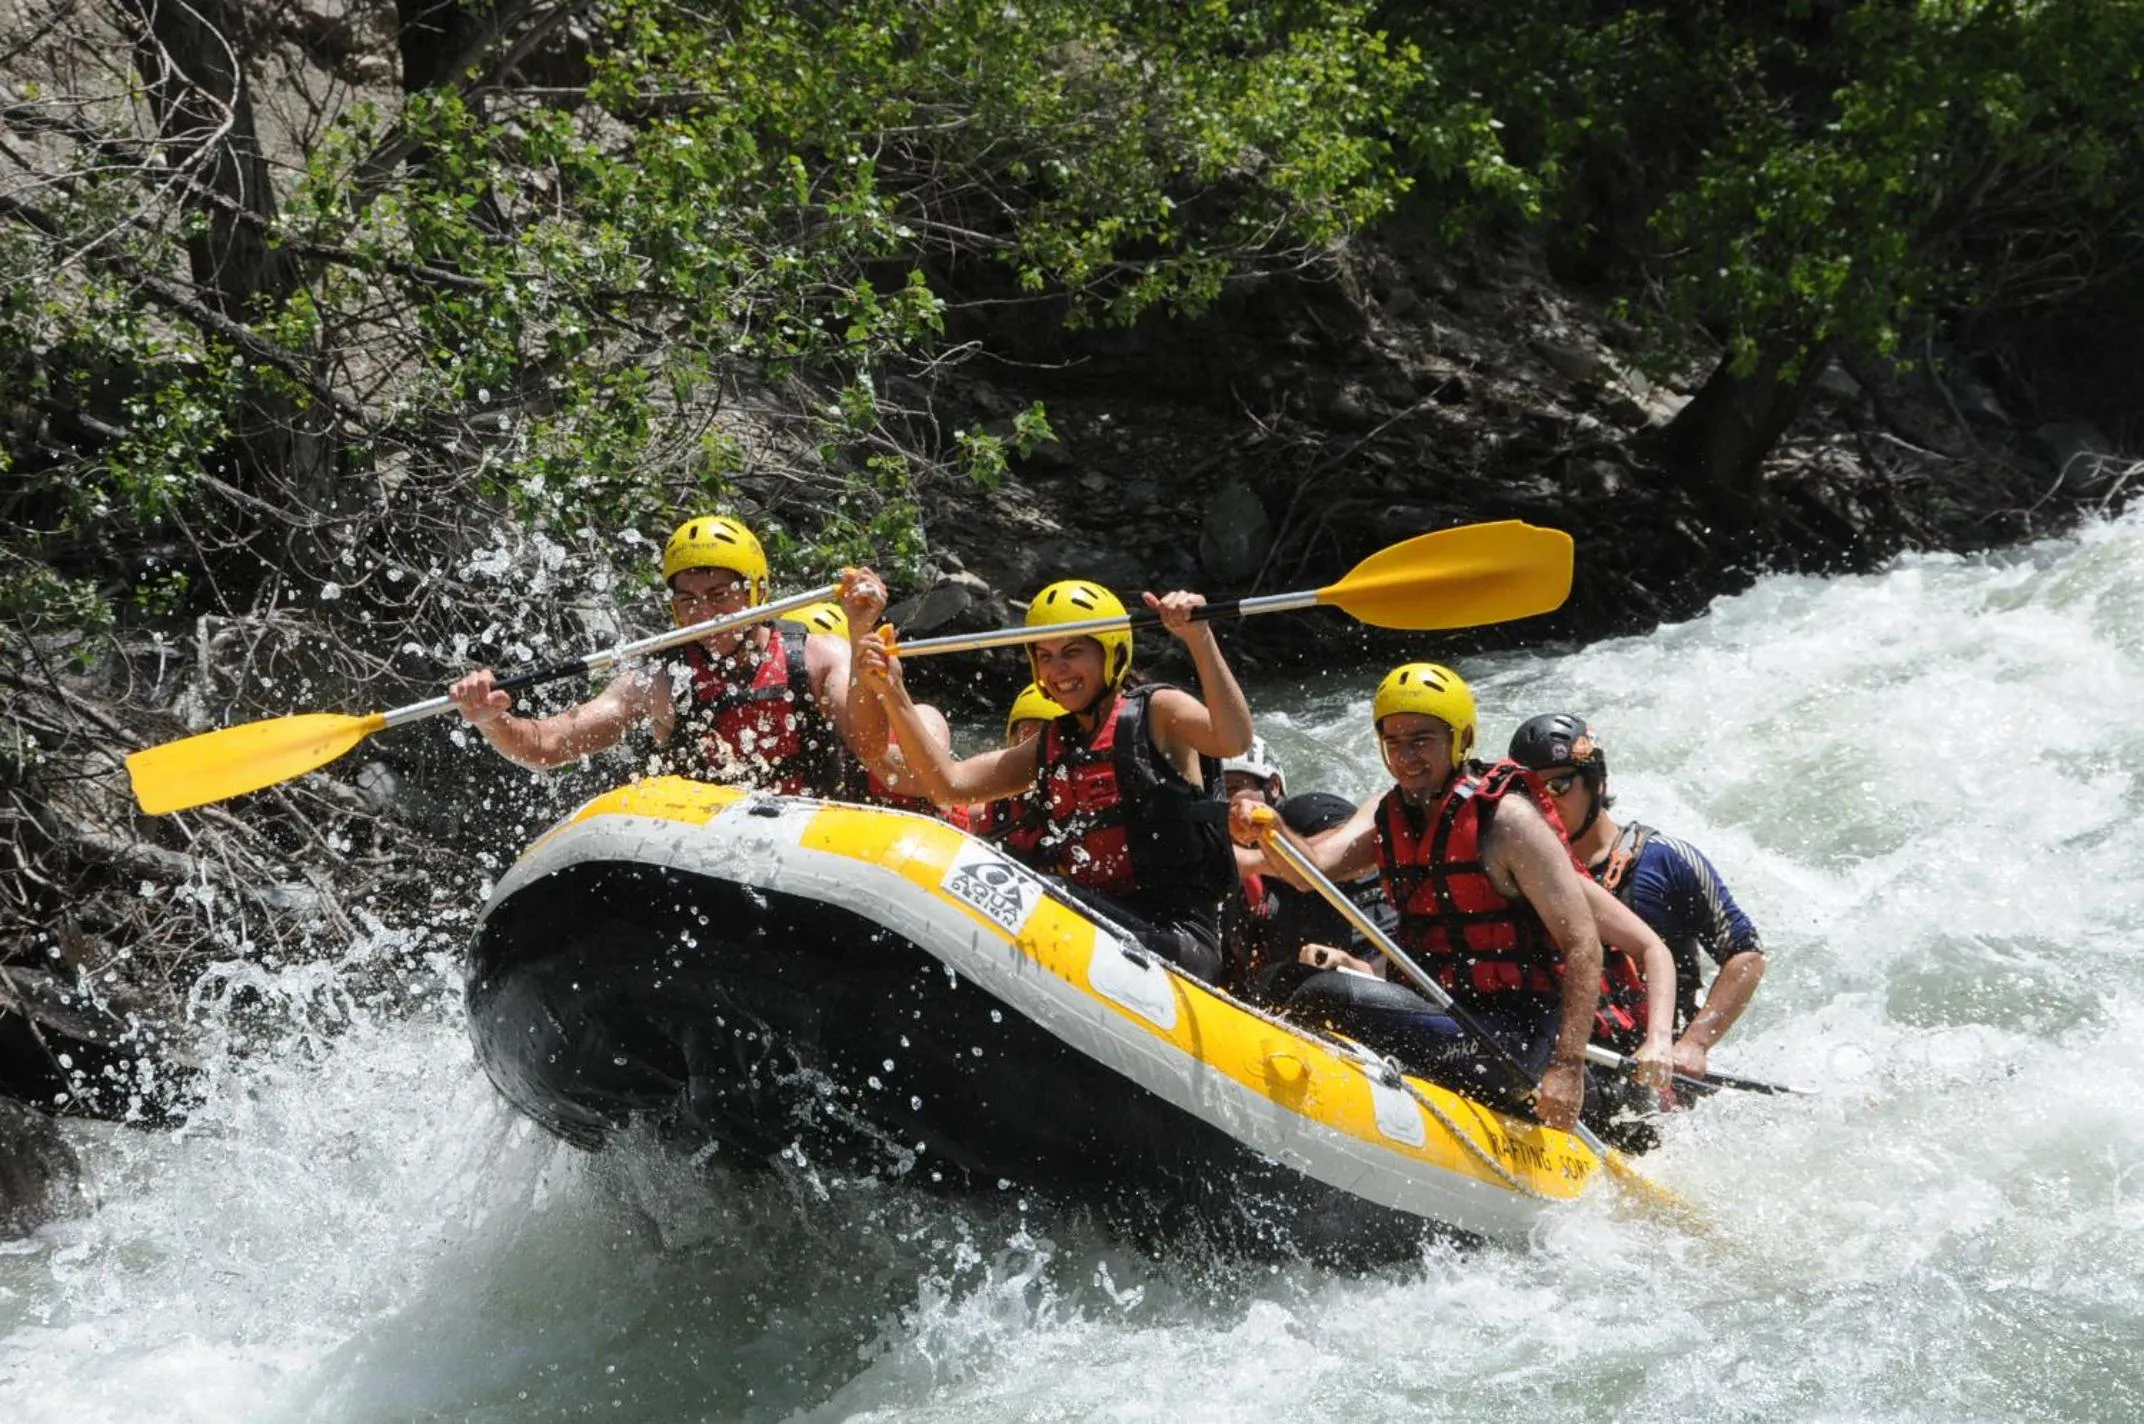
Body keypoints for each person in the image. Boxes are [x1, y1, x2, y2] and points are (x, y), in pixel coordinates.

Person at [1231, 663, 1672, 1133]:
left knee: (1324, 996)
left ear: (1460, 738)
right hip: (1444, 1009)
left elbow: (1584, 945)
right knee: (1281, 980)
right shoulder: (1390, 812)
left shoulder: (1508, 823)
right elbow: (1310, 871)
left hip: (1514, 1037)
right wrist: (1271, 832)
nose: (1406, 756)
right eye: (1393, 742)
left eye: (1421, 740)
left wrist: (1566, 1069)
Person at [854, 579, 1253, 983]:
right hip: (1101, 921)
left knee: (1042, 891)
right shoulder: (1053, 741)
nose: (1056, 670)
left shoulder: (1158, 711)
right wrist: (893, 690)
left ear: (1111, 653)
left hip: (1179, 939)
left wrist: (1198, 637)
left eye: (1072, 652)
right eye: (1044, 655)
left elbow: (1233, 738)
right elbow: (950, 785)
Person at [448, 515, 892, 795]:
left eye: (721, 595)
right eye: (689, 601)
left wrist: (860, 632)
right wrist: (492, 719)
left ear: (758, 593)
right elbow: (550, 744)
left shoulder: (821, 657)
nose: (705, 613)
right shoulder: (661, 681)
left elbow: (870, 747)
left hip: (815, 840)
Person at [1508, 713, 1766, 1081]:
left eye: (1558, 787)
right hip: (1565, 1060)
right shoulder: (1517, 867)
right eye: (1527, 793)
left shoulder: (1665, 860)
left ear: (1597, 783)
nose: (1543, 804)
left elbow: (1746, 956)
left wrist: (1694, 1044)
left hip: (1653, 1070)